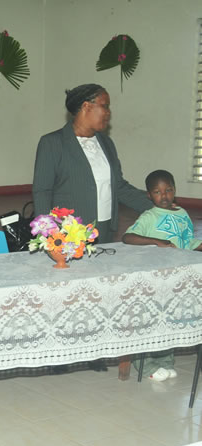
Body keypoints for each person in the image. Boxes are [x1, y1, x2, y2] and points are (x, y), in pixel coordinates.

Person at [33, 83, 152, 372]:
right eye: (105, 105)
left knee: (97, 292)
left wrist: (155, 208)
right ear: (86, 107)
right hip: (68, 234)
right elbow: (42, 191)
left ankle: (91, 349)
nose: (109, 113)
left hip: (104, 230)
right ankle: (60, 353)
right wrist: (49, 235)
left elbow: (118, 186)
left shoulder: (105, 143)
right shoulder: (52, 143)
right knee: (65, 294)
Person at [122, 169, 201, 381]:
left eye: (168, 190)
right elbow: (128, 237)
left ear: (175, 190)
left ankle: (165, 362)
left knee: (171, 320)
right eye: (157, 192)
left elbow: (187, 241)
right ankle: (146, 366)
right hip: (155, 278)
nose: (164, 195)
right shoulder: (149, 216)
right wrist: (156, 241)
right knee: (151, 320)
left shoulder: (183, 214)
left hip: (178, 277)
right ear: (149, 195)